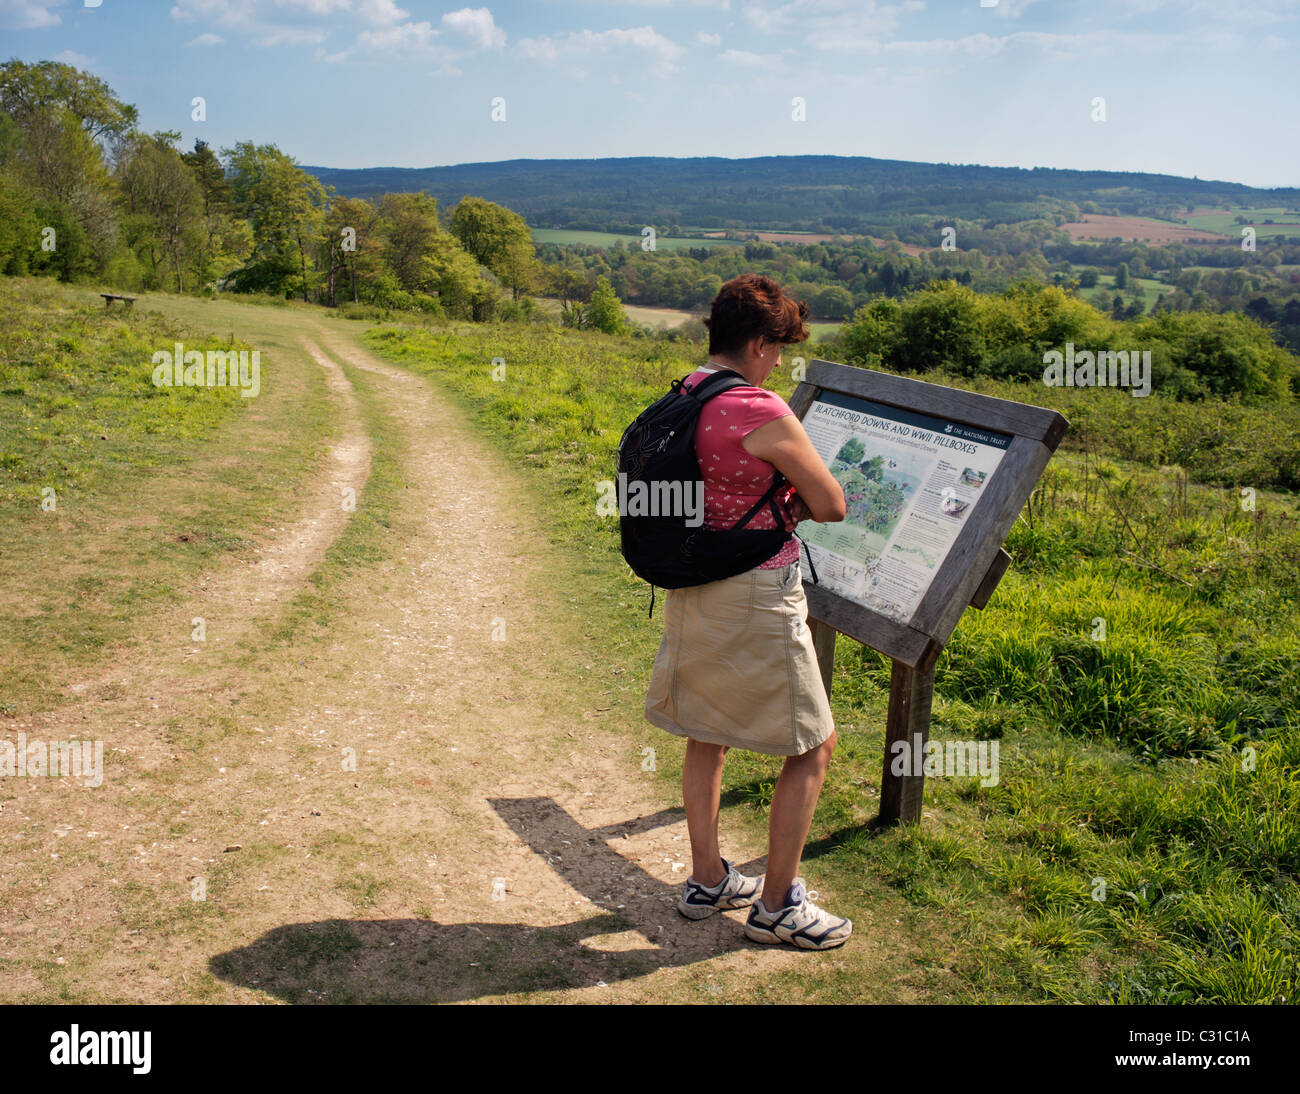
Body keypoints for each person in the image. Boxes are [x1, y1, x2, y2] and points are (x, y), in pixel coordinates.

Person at [644, 273, 852, 950]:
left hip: (693, 581)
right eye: (778, 348)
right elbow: (832, 504)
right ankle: (776, 906)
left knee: (707, 732)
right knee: (814, 746)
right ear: (758, 342)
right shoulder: (760, 409)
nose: (779, 363)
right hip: (756, 590)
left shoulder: (687, 390)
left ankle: (707, 879)